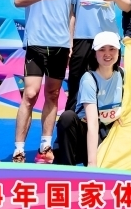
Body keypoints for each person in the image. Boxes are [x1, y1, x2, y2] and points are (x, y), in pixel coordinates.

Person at [12, 0, 79, 164]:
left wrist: (70, 41)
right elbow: (18, 0)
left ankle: (45, 147)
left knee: (53, 94)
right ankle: (19, 149)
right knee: (30, 95)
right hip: (37, 45)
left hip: (60, 47)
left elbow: (72, 13)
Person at [53, 31, 123, 167]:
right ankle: (67, 169)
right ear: (94, 53)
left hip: (108, 133)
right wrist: (92, 163)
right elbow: (92, 123)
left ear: (119, 51)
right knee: (67, 118)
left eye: (112, 49)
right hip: (86, 135)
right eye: (102, 49)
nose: (107, 54)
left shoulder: (123, 75)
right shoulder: (89, 79)